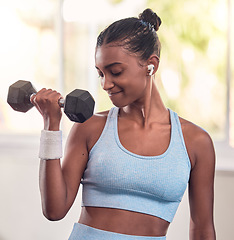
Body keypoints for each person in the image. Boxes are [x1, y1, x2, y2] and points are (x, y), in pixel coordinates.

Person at [31, 8, 216, 240]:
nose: (106, 84)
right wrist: (51, 126)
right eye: (100, 73)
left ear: (151, 65)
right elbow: (54, 210)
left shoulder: (196, 142)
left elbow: (202, 229)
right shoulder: (90, 127)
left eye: (115, 72)